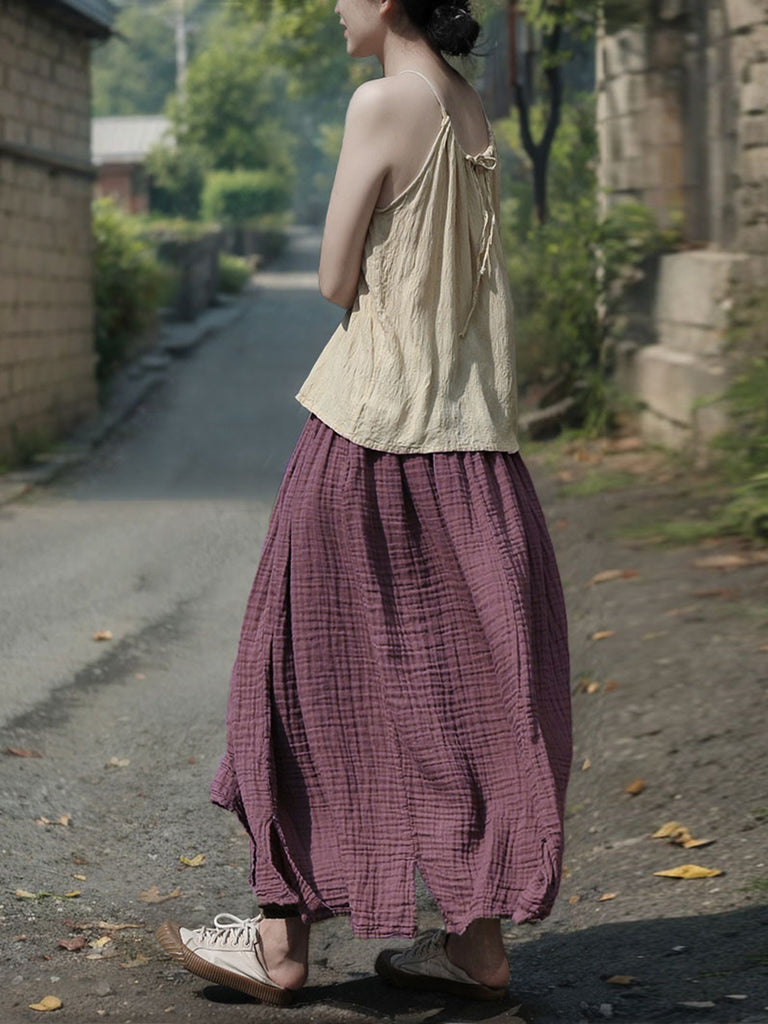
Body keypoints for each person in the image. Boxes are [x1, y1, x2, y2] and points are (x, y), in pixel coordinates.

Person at [156, 0, 572, 1006]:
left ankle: (279, 946)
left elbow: (335, 276)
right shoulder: (468, 106)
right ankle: (475, 947)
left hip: (373, 429)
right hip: (475, 447)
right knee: (459, 688)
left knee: (295, 674)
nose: (334, 5)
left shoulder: (381, 102)